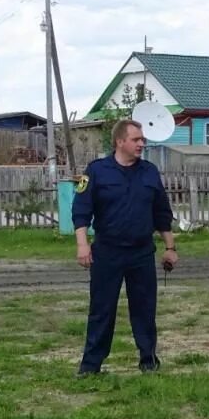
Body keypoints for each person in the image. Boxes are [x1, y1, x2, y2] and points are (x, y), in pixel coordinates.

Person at [72, 119, 176, 376]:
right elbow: (81, 211)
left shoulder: (149, 172)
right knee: (101, 309)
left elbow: (162, 213)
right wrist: (82, 245)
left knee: (144, 309)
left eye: (142, 140)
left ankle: (148, 360)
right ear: (120, 141)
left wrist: (170, 247)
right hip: (107, 252)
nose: (142, 143)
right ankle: (90, 366)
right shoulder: (97, 171)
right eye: (136, 139)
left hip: (141, 252)